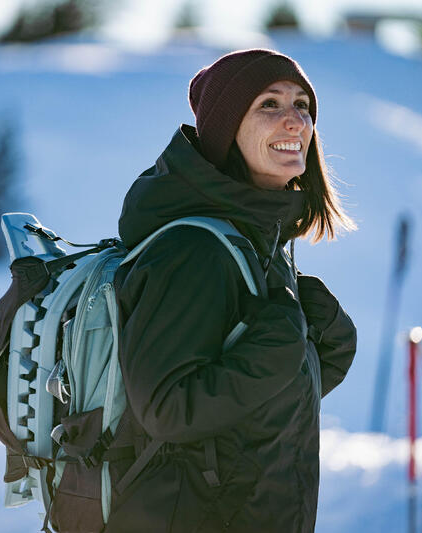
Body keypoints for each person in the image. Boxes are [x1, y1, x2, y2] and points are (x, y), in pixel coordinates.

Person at [106, 49, 358, 533]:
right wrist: (279, 346)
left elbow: (252, 414)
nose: (294, 121)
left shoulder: (256, 240)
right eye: (269, 104)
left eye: (303, 105)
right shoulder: (194, 249)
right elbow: (167, 409)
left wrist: (324, 349)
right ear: (226, 130)